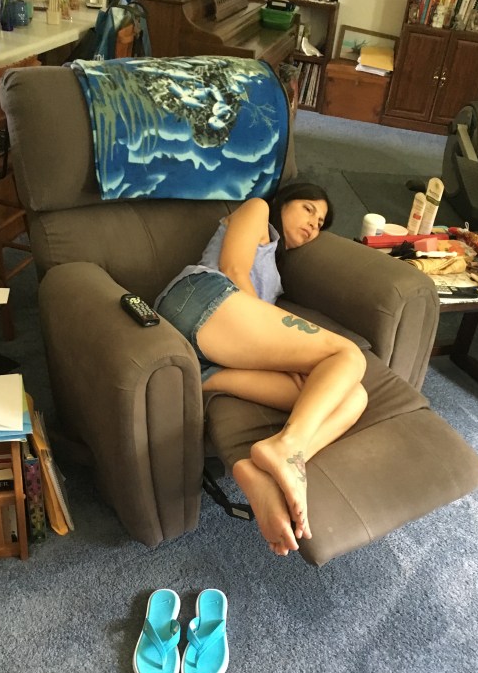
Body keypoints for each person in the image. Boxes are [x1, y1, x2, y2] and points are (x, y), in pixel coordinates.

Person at [155, 183, 368, 556]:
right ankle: (286, 448)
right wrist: (280, 354)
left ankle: (271, 467)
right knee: (347, 356)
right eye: (308, 209)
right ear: (283, 203)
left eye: (320, 223)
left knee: (351, 395)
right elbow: (233, 268)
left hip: (211, 353)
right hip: (200, 297)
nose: (313, 225)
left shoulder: (277, 265)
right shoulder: (257, 210)